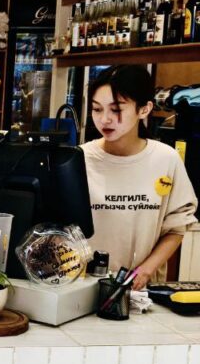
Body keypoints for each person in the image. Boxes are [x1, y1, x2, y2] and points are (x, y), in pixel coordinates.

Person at [83, 65, 197, 289]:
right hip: (82, 288)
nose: (104, 119)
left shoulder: (166, 159)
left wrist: (145, 270)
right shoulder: (79, 159)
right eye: (97, 109)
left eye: (116, 109)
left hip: (140, 292)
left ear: (144, 109)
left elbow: (176, 227)